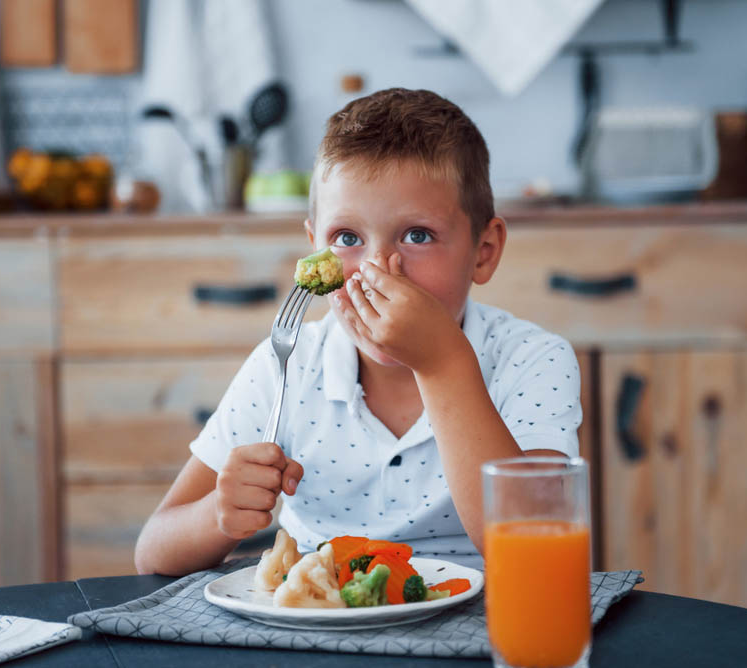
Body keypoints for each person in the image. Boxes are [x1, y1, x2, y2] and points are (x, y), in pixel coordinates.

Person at [134, 88, 582, 575]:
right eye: (346, 239)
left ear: (484, 250)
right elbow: (153, 552)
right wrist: (218, 516)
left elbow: (539, 557)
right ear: (313, 250)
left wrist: (442, 362)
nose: (377, 271)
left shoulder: (532, 360)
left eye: (418, 236)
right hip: (320, 631)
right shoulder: (286, 364)